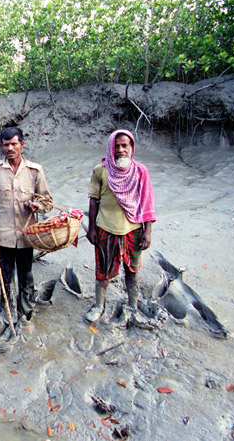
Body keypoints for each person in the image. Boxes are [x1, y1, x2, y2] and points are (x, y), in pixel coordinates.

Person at [0, 127, 53, 345]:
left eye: (14, 144)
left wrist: (37, 205)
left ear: (22, 144)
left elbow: (48, 202)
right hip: (2, 237)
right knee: (5, 278)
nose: (10, 148)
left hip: (27, 236)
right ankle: (8, 314)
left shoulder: (34, 171)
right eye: (5, 144)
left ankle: (27, 314)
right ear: (1, 146)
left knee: (26, 276)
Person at [85, 130, 156, 326]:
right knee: (102, 272)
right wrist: (91, 229)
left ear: (131, 148)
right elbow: (93, 201)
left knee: (132, 270)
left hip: (134, 230)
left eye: (125, 146)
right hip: (105, 229)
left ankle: (132, 306)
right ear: (110, 148)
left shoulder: (141, 171)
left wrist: (147, 231)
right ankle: (99, 306)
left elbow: (147, 202)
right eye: (116, 146)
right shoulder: (100, 170)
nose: (120, 150)